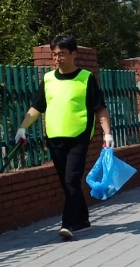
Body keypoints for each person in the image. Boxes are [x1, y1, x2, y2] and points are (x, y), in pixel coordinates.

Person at [14, 35, 111, 240]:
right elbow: (37, 108)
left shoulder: (85, 78)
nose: (57, 58)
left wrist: (107, 133)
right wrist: (22, 128)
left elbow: (99, 108)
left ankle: (68, 224)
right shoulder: (48, 80)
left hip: (79, 137)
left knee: (71, 179)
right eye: (54, 54)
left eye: (62, 54)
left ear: (73, 54)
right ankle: (83, 220)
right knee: (67, 183)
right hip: (55, 138)